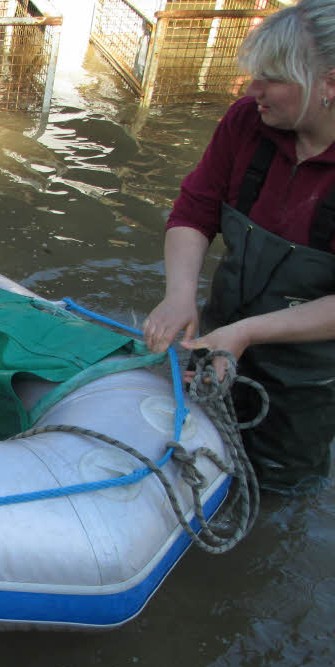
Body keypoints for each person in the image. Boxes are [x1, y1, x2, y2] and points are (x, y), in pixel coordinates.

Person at [143, 0, 335, 490]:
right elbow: (196, 206)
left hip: (308, 374)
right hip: (223, 334)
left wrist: (247, 334)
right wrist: (180, 293)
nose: (253, 91)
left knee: (277, 484)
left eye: (271, 78)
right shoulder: (247, 121)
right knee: (196, 457)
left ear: (329, 84)